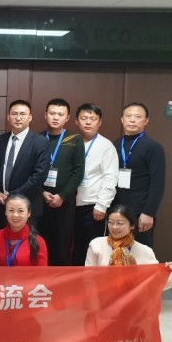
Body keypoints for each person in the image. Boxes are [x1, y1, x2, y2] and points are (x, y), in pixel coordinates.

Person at [85, 205, 172, 290]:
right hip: (103, 298)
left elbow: (156, 283)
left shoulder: (145, 251)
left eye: (119, 223)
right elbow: (89, 279)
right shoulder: (96, 244)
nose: (114, 227)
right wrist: (94, 302)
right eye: (110, 222)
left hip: (134, 300)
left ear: (132, 225)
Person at [0, 100, 49, 235]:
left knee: (27, 244)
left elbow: (39, 175)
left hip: (28, 205)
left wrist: (13, 195)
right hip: (1, 204)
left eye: (22, 114)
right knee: (1, 242)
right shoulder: (1, 140)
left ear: (30, 117)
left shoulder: (40, 142)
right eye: (14, 114)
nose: (18, 118)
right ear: (8, 117)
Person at [112, 103, 165, 247]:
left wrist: (149, 212)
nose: (132, 120)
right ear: (122, 119)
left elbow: (157, 183)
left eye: (137, 117)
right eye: (128, 116)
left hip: (140, 211)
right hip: (116, 209)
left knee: (139, 253)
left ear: (146, 121)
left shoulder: (153, 147)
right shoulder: (116, 144)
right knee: (117, 251)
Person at [40, 98, 85, 266]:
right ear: (45, 115)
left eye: (60, 114)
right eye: (52, 113)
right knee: (41, 245)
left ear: (67, 118)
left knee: (62, 247)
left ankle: (61, 281)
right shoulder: (37, 138)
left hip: (65, 203)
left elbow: (78, 172)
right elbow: (31, 170)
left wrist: (62, 196)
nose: (55, 117)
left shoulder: (75, 139)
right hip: (40, 201)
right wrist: (41, 192)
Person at [72, 103, 119, 266]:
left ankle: (92, 279)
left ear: (99, 122)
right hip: (70, 205)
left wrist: (102, 205)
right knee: (75, 248)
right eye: (84, 118)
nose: (88, 122)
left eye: (92, 119)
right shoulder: (71, 142)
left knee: (92, 248)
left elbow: (110, 177)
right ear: (76, 121)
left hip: (92, 207)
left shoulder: (106, 146)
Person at [0, 193, 48, 266]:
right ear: (5, 212)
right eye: (11, 210)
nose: (15, 215)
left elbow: (42, 271)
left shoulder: (38, 241)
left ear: (29, 213)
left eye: (20, 211)